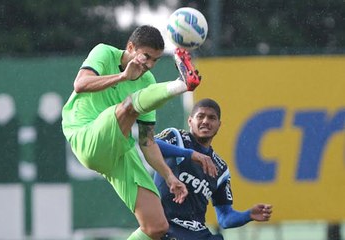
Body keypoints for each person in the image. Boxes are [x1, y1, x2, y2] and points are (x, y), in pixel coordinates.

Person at [61, 25, 202, 240]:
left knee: (156, 226)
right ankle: (181, 85)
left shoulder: (147, 81)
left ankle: (182, 84)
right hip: (84, 135)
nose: (150, 65)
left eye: (155, 60)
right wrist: (123, 77)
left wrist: (169, 176)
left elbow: (147, 142)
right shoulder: (104, 52)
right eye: (146, 56)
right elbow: (80, 84)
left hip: (118, 149)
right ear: (130, 47)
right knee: (128, 106)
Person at [154, 98, 273, 240]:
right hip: (166, 226)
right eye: (200, 116)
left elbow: (224, 218)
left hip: (197, 233)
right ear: (190, 121)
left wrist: (248, 215)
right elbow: (150, 144)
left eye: (211, 118)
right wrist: (190, 154)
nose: (205, 121)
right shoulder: (176, 137)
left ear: (219, 125)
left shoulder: (220, 168)